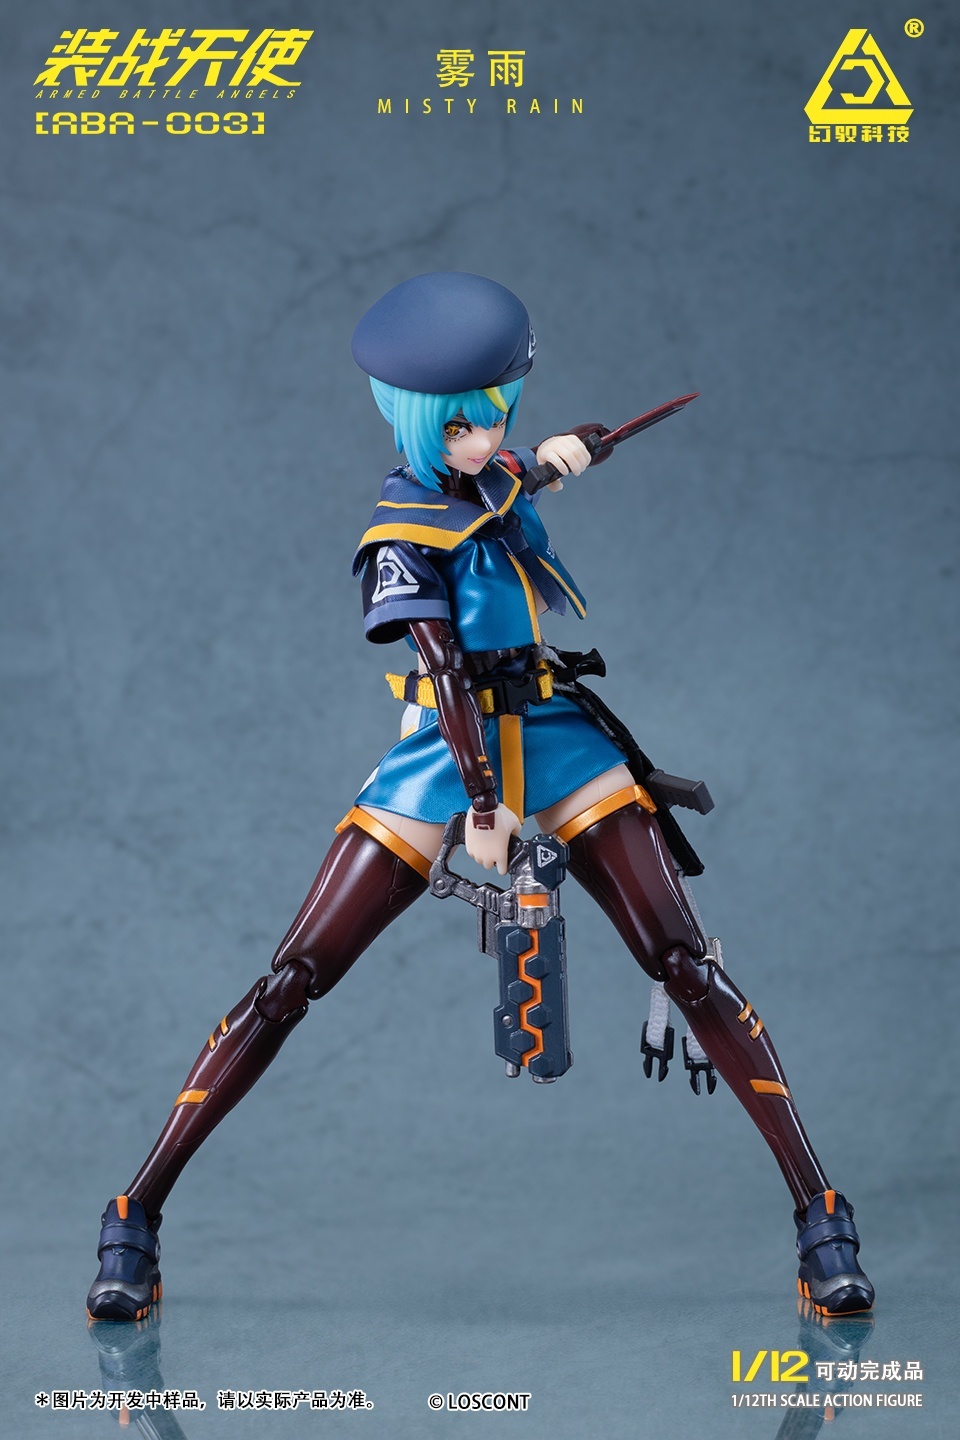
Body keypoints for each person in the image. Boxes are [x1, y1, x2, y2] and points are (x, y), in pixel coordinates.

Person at [87, 272, 873, 1322]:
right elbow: (447, 672)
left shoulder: (488, 473)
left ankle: (821, 1213)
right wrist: (485, 805)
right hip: (447, 753)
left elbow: (516, 474)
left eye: (494, 413)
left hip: (552, 730)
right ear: (414, 421)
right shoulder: (399, 535)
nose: (483, 437)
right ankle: (135, 1213)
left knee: (686, 961)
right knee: (294, 976)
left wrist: (568, 451)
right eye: (458, 424)